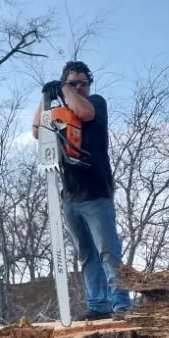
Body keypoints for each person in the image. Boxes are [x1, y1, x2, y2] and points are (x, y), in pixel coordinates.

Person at [32, 60, 131, 320]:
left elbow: (83, 112)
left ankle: (121, 303)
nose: (78, 87)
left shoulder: (95, 103)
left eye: (82, 83)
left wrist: (67, 90)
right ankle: (98, 305)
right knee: (86, 253)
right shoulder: (60, 113)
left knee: (107, 250)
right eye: (73, 82)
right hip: (70, 196)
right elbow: (36, 131)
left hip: (96, 192)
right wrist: (46, 97)